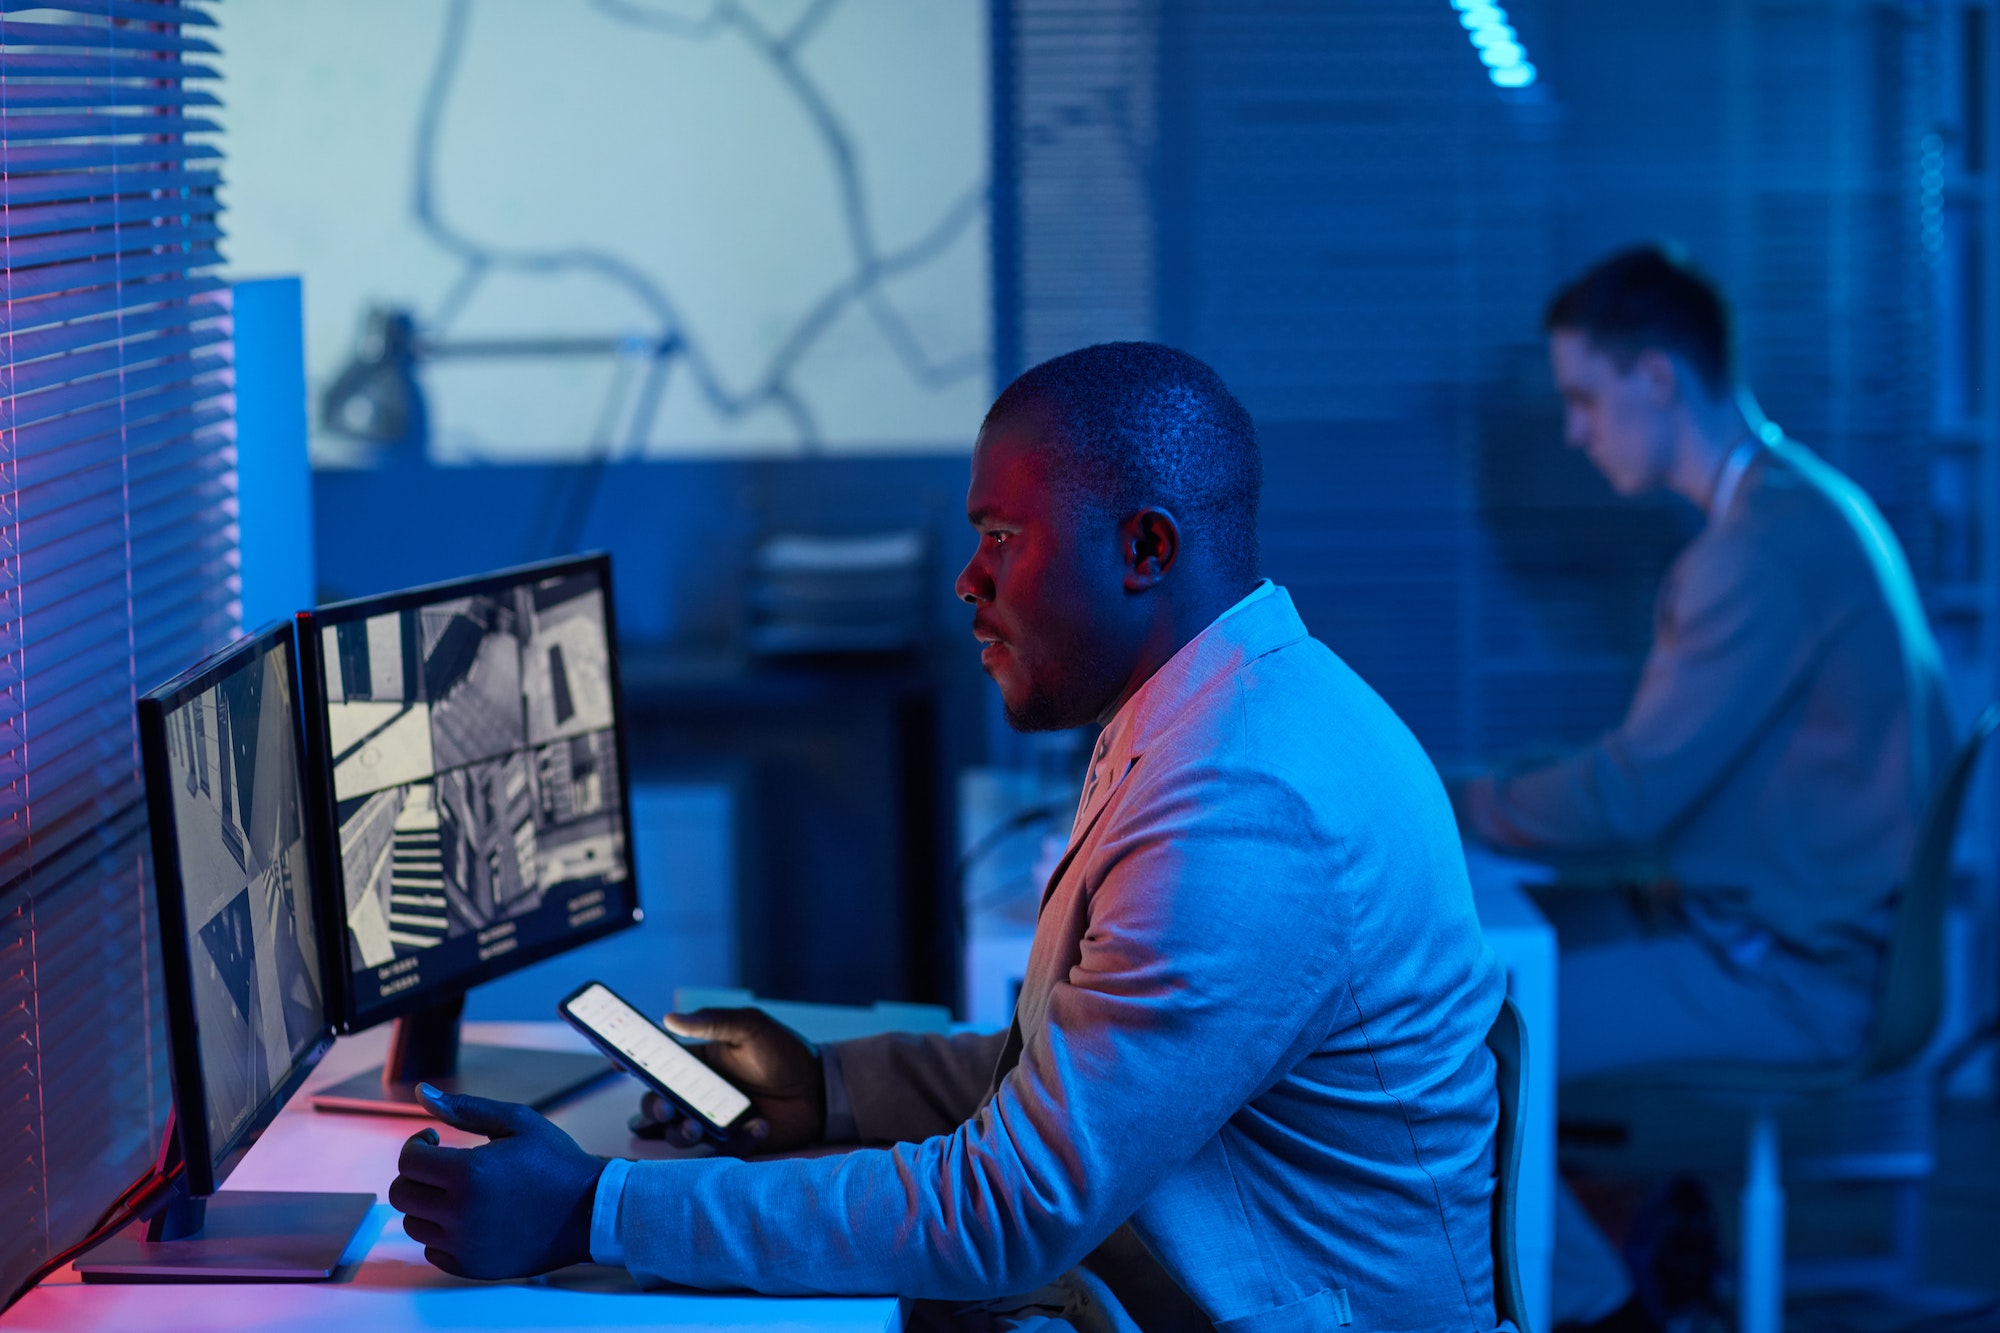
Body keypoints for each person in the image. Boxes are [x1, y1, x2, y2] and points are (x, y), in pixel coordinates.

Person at [390, 342, 1509, 1331]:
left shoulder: (1248, 809)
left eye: (1001, 537)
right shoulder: (1214, 713)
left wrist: (596, 1208)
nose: (968, 581)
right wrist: (826, 1088)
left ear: (1145, 548)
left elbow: (1007, 1211)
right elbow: (1094, 1081)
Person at [1456, 246, 1955, 1330]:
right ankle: (1627, 1238)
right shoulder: (1804, 508)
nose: (1574, 432)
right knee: (1522, 953)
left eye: (1584, 399)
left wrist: (1443, 801)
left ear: (1656, 380)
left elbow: (1626, 799)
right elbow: (1661, 773)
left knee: (1454, 1051)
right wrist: (1522, 789)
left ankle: (1603, 1311)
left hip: (1793, 977)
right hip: (1798, 936)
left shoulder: (1753, 556)